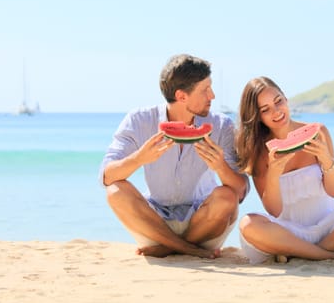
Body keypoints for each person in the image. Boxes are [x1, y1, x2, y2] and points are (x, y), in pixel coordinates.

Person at [99, 54, 249, 259]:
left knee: (227, 197)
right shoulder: (139, 120)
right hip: (154, 224)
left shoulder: (221, 125)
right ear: (181, 96)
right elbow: (106, 176)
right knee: (115, 191)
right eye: (205, 90)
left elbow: (240, 191)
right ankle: (186, 248)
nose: (212, 95)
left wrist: (220, 166)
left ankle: (168, 248)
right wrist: (138, 159)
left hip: (205, 222)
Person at [235, 76, 334, 264]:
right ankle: (331, 255)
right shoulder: (258, 151)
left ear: (286, 99)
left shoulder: (318, 132)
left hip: (330, 228)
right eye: (266, 110)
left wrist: (326, 160)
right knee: (248, 224)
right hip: (287, 232)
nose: (276, 112)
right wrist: (274, 174)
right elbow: (274, 211)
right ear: (258, 117)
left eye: (278, 102)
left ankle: (305, 253)